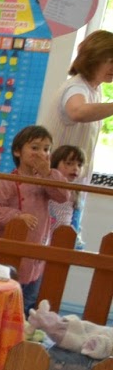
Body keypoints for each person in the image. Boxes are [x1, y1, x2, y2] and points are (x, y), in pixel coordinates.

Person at [0, 124, 70, 314]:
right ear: (17, 151)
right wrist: (17, 216)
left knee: (27, 302)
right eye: (35, 147)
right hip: (8, 252)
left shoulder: (46, 180)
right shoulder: (8, 180)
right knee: (2, 300)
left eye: (46, 149)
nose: (41, 153)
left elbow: (63, 196)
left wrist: (47, 174)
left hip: (35, 253)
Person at [49, 29, 113, 231]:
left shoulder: (95, 89)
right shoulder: (76, 87)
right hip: (56, 187)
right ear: (93, 60)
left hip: (73, 185)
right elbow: (77, 111)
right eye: (110, 61)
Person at [49, 144, 85, 244]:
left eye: (79, 165)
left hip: (63, 237)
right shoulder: (49, 186)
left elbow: (75, 220)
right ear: (55, 164)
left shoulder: (75, 192)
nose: (75, 168)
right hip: (45, 233)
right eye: (69, 163)